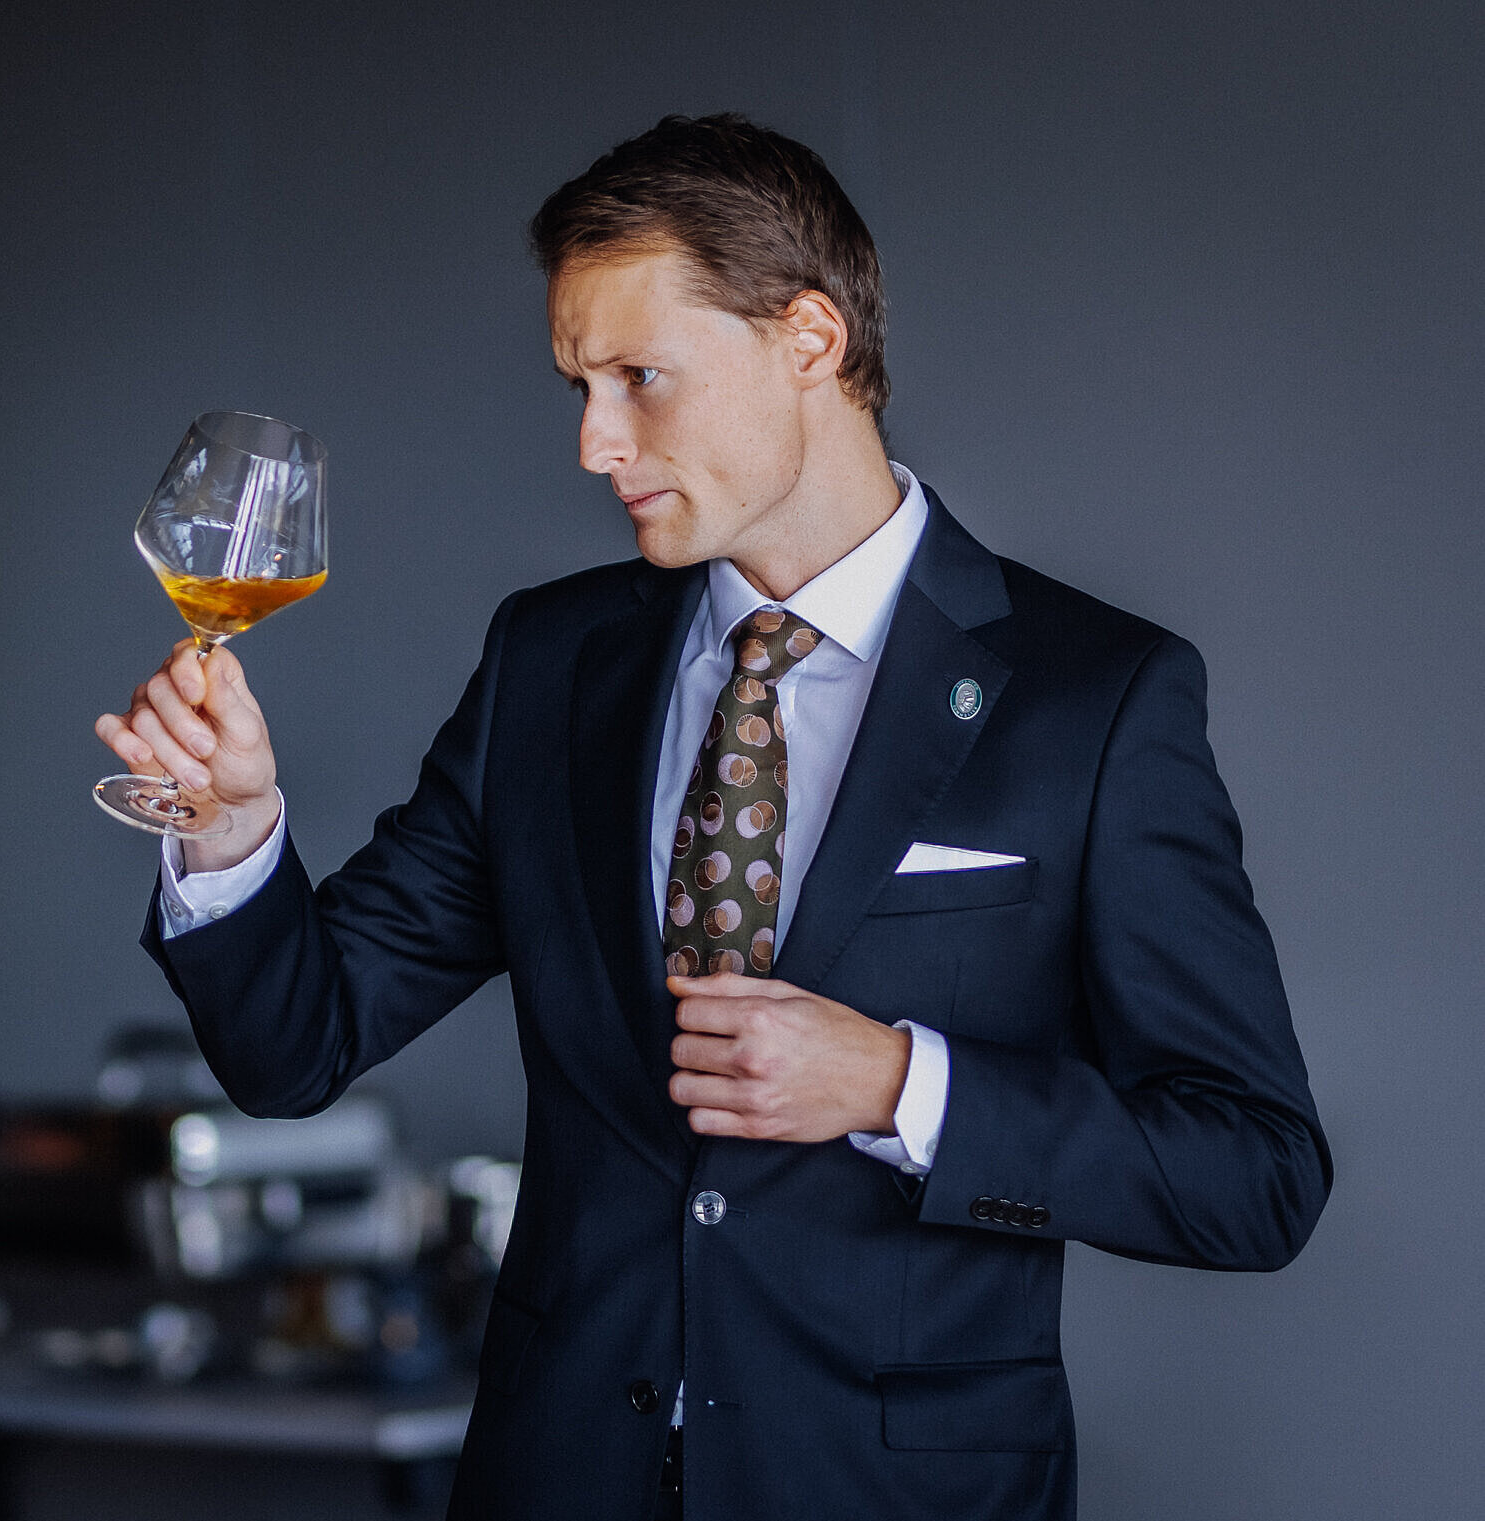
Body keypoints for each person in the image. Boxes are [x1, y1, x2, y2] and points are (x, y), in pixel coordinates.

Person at [96, 113, 1329, 1521]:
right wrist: (231, 834)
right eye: (577, 386)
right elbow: (292, 1046)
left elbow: (1254, 1175)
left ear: (809, 338)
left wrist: (898, 1086)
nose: (592, 442)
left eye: (639, 378)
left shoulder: (1095, 696)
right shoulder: (550, 663)